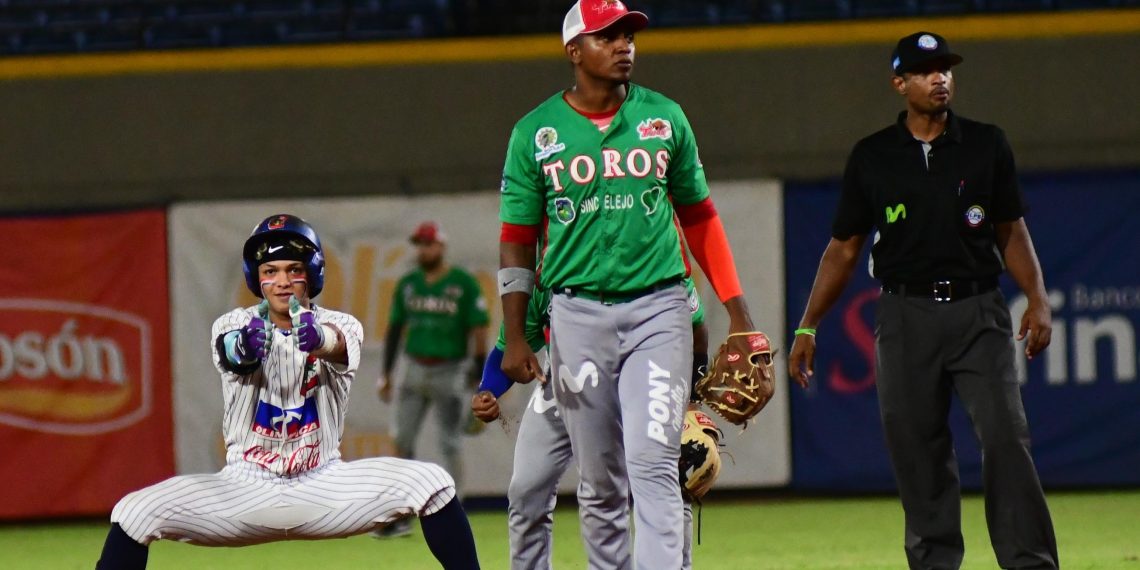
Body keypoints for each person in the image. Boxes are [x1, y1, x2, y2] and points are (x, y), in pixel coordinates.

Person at [496, 2, 760, 567]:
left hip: (658, 307)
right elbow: (516, 239)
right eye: (607, 36)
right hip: (574, 315)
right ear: (574, 50)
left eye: (628, 35)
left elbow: (700, 219)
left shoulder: (664, 117)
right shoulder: (534, 133)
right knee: (600, 480)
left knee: (654, 461)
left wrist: (737, 311)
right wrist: (514, 335)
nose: (624, 45)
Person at [787, 32, 1059, 570]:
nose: (940, 78)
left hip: (978, 310)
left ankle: (1030, 562)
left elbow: (1011, 230)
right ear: (899, 83)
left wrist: (1038, 298)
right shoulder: (873, 157)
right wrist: (807, 327)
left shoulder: (986, 143)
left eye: (946, 69)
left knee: (1006, 439)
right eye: (925, 70)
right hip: (904, 314)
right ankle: (934, 563)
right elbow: (843, 249)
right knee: (918, 449)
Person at [96, 214, 480, 569]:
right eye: (271, 270)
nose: (282, 281)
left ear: (311, 274)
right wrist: (244, 346)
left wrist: (320, 340)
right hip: (244, 488)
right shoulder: (233, 323)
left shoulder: (340, 323)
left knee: (433, 484)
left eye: (294, 269)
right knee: (135, 512)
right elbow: (231, 352)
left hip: (324, 485)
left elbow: (339, 345)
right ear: (256, 277)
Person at [471, 279, 710, 570]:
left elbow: (697, 328)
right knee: (526, 489)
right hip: (566, 381)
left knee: (664, 480)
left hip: (640, 381)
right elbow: (507, 349)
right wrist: (487, 390)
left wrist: (691, 401)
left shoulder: (653, 260)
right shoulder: (543, 280)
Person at [375, 220, 490, 537]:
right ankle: (400, 515)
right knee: (402, 440)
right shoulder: (409, 283)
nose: (423, 250)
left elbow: (479, 328)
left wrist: (479, 374)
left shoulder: (462, 283)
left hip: (449, 369)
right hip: (413, 366)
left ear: (441, 246)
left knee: (450, 442)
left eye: (429, 244)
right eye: (420, 244)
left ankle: (455, 512)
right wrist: (386, 372)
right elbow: (396, 328)